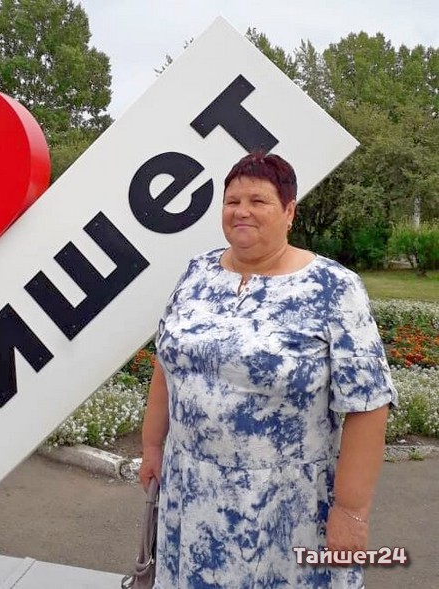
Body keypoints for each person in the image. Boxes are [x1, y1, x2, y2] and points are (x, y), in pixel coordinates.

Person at [139, 151, 397, 588]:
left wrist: (351, 512)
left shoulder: (333, 289)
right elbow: (168, 363)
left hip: (284, 507)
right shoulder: (197, 273)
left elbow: (368, 404)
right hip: (192, 492)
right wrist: (152, 446)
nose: (242, 211)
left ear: (289, 211)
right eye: (232, 201)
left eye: (258, 201)